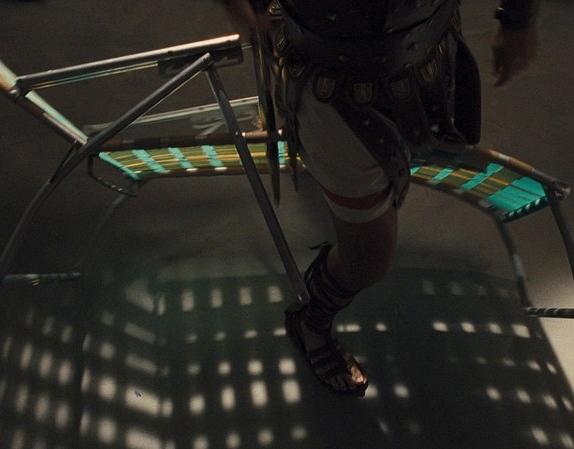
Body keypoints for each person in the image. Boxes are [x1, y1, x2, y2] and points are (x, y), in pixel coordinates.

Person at [219, 0, 540, 396]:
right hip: (335, 81)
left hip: (427, 46)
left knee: (388, 188)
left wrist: (519, 19)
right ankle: (311, 319)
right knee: (367, 260)